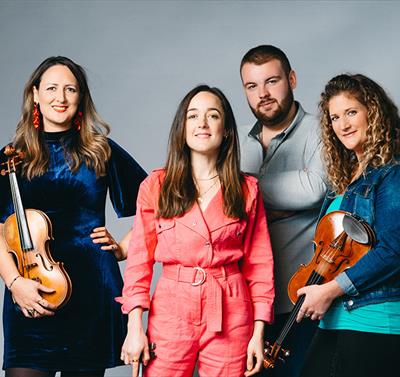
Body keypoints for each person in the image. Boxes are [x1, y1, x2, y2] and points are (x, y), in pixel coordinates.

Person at [0, 56, 147, 377]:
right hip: (31, 289)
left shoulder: (101, 150)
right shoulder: (13, 157)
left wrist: (123, 248)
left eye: (70, 89)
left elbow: (160, 205)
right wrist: (14, 284)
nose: (61, 98)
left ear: (81, 97)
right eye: (51, 88)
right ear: (35, 94)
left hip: (92, 293)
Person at [116, 85, 275, 377]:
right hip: (171, 309)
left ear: (225, 130)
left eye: (212, 116)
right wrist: (134, 327)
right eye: (193, 116)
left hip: (231, 309)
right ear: (182, 128)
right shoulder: (156, 186)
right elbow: (139, 261)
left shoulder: (246, 190)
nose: (202, 123)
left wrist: (258, 331)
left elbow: (260, 266)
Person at [297, 74, 400, 377]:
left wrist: (329, 290)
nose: (343, 125)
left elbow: (394, 250)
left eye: (352, 112)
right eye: (335, 117)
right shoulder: (345, 183)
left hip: (374, 323)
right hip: (339, 320)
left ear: (373, 111)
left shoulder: (391, 174)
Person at [238, 45, 326, 376]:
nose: (263, 94)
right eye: (252, 86)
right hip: (247, 302)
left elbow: (315, 188)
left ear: (291, 79)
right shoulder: (239, 144)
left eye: (272, 81)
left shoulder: (321, 131)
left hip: (300, 300)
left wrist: (249, 191)